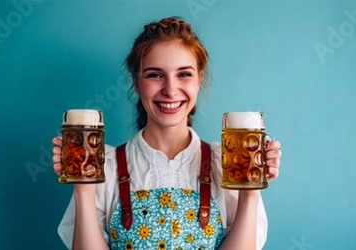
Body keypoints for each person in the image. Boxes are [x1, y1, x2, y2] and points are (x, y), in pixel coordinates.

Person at [52, 16, 282, 250]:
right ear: (136, 82)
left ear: (199, 80)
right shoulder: (105, 167)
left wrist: (250, 193)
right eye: (155, 75)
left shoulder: (229, 166)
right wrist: (82, 187)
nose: (171, 90)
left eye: (184, 74)